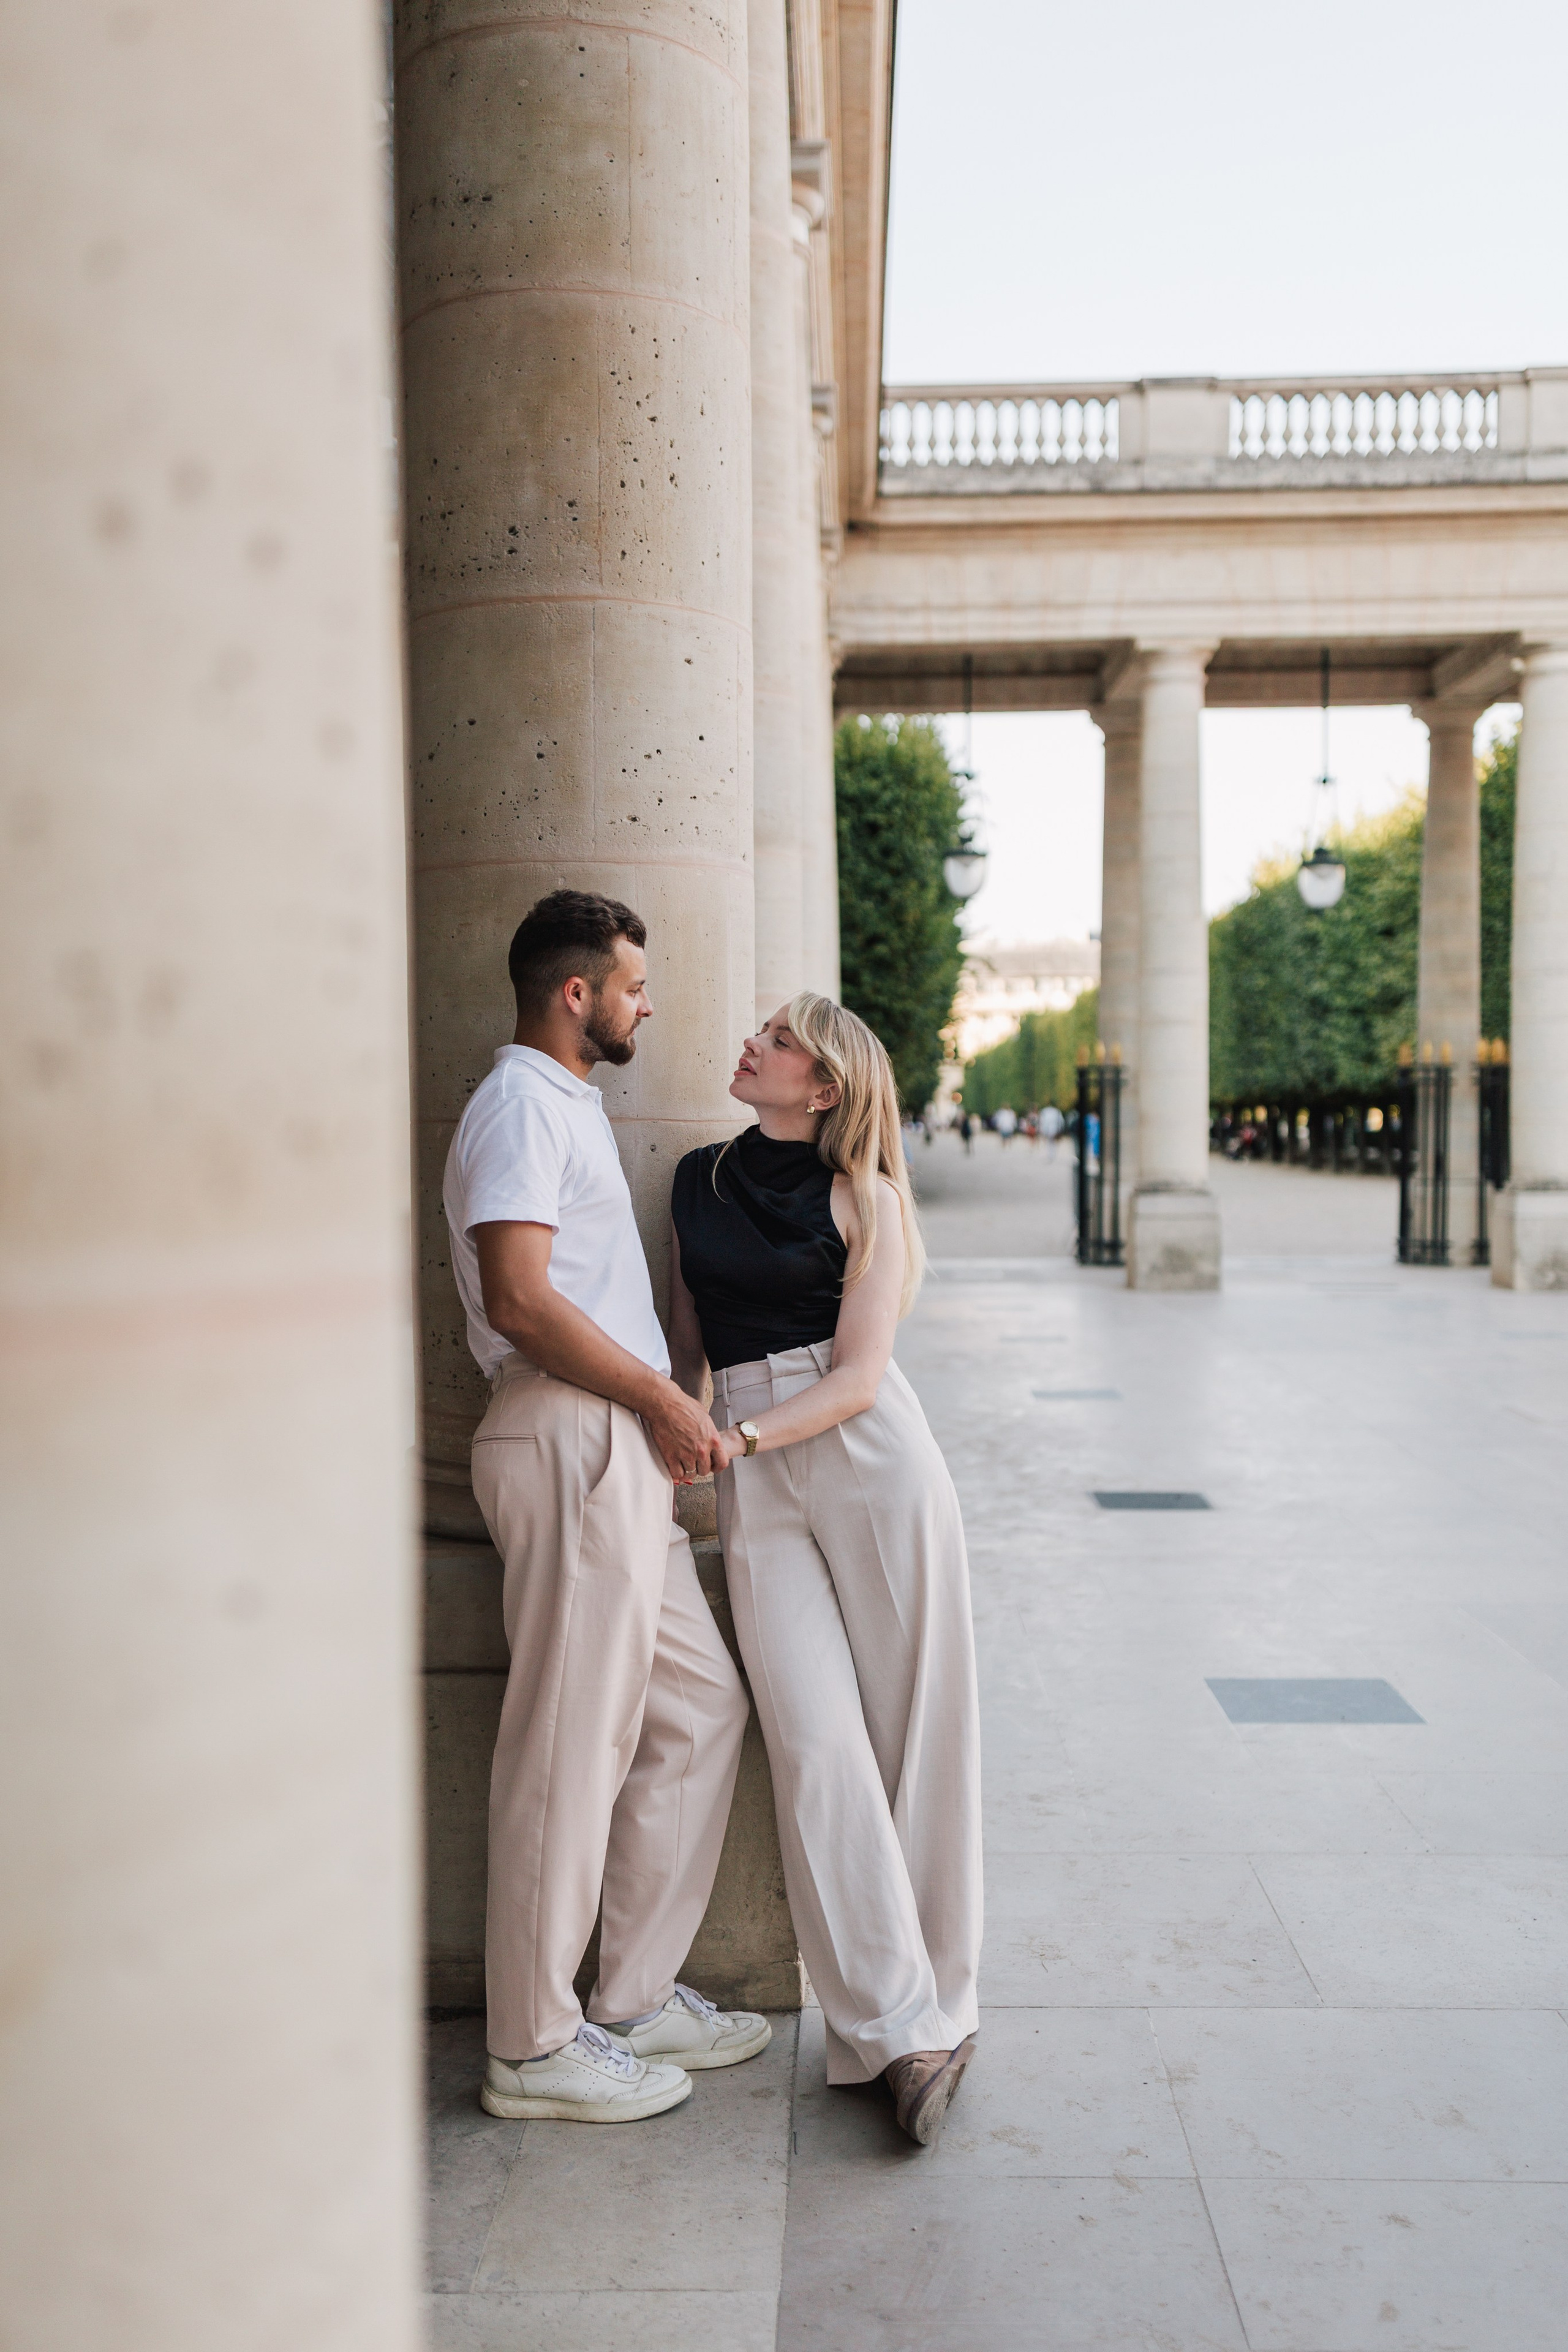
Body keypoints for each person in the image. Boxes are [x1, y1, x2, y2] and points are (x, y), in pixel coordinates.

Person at [443, 889, 770, 2125]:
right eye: (631, 985)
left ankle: (628, 2000)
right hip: (569, 1432)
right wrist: (661, 1401)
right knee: (567, 1746)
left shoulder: (559, 1105)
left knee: (696, 1706)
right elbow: (520, 1300)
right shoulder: (522, 1105)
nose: (646, 1005)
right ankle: (531, 2044)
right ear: (574, 993)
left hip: (615, 1444)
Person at [668, 995, 982, 2147]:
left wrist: (735, 1443)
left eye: (783, 1040)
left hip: (861, 1452)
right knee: (812, 1741)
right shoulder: (695, 1180)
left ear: (827, 1085)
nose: (751, 1042)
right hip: (752, 1465)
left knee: (917, 1726)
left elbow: (857, 1379)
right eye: (755, 1030)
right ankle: (897, 2025)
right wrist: (671, 1433)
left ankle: (944, 2003)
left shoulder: (870, 1197)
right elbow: (683, 1353)